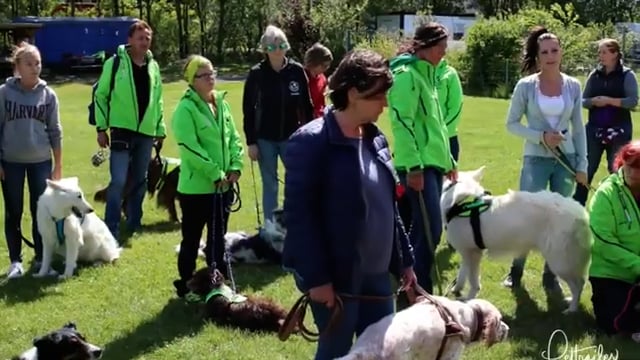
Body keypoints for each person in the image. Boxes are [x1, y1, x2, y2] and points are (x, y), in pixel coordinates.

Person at [282, 49, 417, 360]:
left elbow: (389, 208)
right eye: (379, 95)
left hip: (378, 279)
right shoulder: (310, 143)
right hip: (338, 281)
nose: (385, 103)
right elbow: (300, 219)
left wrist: (405, 262)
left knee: (381, 353)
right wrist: (318, 280)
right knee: (336, 352)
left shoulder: (375, 138)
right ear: (354, 92)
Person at [503, 26, 588, 291]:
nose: (551, 55)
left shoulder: (573, 85)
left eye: (555, 50)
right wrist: (541, 136)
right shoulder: (526, 86)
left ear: (561, 52)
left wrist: (582, 164)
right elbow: (512, 124)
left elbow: (579, 127)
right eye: (545, 52)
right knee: (528, 217)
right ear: (538, 56)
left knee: (560, 220)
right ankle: (515, 272)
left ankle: (550, 275)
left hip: (566, 160)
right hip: (535, 161)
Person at [387, 22, 457, 294]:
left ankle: (410, 285)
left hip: (433, 164)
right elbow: (402, 124)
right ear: (426, 46)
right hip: (418, 166)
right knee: (430, 230)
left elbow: (437, 124)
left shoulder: (429, 75)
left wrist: (449, 159)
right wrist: (414, 167)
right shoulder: (406, 76)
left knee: (421, 230)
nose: (444, 52)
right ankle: (418, 289)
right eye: (441, 47)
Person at [171, 55, 244, 300]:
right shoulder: (185, 109)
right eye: (204, 75)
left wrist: (235, 166)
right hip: (196, 190)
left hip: (223, 188)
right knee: (191, 240)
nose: (211, 78)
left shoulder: (221, 103)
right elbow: (190, 148)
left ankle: (217, 283)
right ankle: (186, 285)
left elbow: (233, 138)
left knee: (217, 239)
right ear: (192, 81)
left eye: (213, 72)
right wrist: (215, 172)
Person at [94, 20, 166, 242]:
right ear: (130, 40)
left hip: (146, 132)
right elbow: (101, 95)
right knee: (118, 180)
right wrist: (101, 128)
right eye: (140, 37)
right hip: (121, 130)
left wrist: (160, 129)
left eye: (147, 38)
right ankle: (112, 225)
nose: (145, 42)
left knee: (140, 179)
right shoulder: (115, 64)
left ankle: (134, 222)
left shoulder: (153, 67)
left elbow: (158, 100)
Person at [0, 42, 63, 278]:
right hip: (11, 162)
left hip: (41, 162)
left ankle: (41, 259)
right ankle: (15, 261)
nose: (35, 68)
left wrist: (58, 165)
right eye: (29, 63)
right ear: (17, 67)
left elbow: (55, 131)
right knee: (13, 211)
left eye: (38, 63)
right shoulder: (5, 93)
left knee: (41, 212)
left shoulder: (48, 95)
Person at [242, 25, 314, 225]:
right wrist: (251, 142)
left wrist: (310, 138)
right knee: (270, 185)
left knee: (296, 182)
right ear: (265, 49)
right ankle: (270, 227)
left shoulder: (297, 71)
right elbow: (248, 109)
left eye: (281, 44)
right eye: (273, 46)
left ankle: (295, 223)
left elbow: (306, 107)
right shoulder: (257, 74)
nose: (278, 49)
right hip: (265, 138)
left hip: (292, 137)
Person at [573, 38, 639, 206]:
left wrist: (610, 101)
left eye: (604, 52)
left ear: (615, 54)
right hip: (594, 130)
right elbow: (583, 101)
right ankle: (577, 209)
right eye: (599, 52)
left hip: (619, 131)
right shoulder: (594, 75)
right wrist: (594, 101)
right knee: (586, 169)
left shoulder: (627, 75)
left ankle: (622, 208)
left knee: (617, 172)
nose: (600, 56)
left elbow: (632, 101)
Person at [589, 140, 640, 341]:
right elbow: (603, 241)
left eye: (639, 168)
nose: (633, 172)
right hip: (611, 273)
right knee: (614, 325)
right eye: (629, 165)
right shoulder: (606, 194)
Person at [436, 57, 464, 161]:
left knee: (446, 177)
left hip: (447, 137)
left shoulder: (450, 73)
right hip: (423, 140)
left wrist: (441, 130)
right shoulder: (419, 73)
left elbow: (455, 107)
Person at [303, 42, 333, 118]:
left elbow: (322, 102)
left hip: (319, 118)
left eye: (328, 66)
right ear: (314, 62)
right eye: (324, 66)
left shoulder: (322, 78)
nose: (326, 68)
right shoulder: (301, 76)